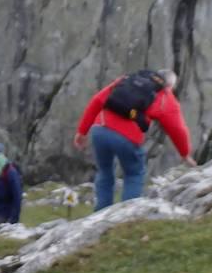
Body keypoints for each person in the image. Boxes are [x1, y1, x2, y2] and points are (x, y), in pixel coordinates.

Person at [73, 67, 197, 210]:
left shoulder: (127, 79)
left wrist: (82, 131)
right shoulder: (164, 96)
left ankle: (100, 213)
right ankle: (126, 216)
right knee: (134, 173)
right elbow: (177, 129)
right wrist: (185, 154)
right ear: (169, 85)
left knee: (105, 171)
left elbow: (97, 100)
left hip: (100, 129)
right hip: (126, 138)